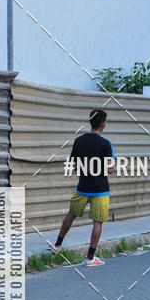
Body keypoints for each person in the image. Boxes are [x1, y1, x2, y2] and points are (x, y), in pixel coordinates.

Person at [50, 109, 114, 266]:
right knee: (97, 222)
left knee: (71, 214)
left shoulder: (79, 141)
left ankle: (57, 245)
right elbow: (110, 169)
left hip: (83, 187)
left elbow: (73, 166)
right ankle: (90, 258)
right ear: (103, 124)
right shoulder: (106, 144)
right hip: (100, 189)